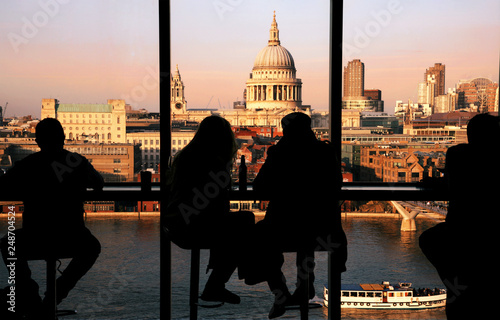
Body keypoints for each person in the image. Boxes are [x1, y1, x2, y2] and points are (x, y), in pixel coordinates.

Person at [0, 118, 103, 318]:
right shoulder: (76, 161)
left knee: (7, 244)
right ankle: (56, 294)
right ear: (63, 139)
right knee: (92, 247)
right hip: (71, 235)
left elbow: (3, 185)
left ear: (38, 141)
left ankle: (30, 293)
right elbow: (98, 184)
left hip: (36, 236)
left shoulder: (29, 164)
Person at [250, 112, 347, 319]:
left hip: (284, 228)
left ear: (286, 131)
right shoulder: (325, 151)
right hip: (324, 229)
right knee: (306, 238)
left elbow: (259, 187)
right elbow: (336, 184)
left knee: (259, 236)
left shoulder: (279, 153)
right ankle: (305, 285)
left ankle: (280, 292)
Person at [163, 115, 254, 304]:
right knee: (245, 221)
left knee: (231, 227)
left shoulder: (185, 156)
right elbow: (215, 209)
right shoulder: (215, 163)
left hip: (174, 226)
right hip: (193, 228)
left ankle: (221, 282)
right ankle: (218, 283)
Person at [419, 113, 500, 319]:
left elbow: (453, 184)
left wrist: (431, 183)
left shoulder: (458, 153)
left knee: (428, 240)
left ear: (470, 134)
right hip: (488, 232)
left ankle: (453, 281)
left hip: (459, 227)